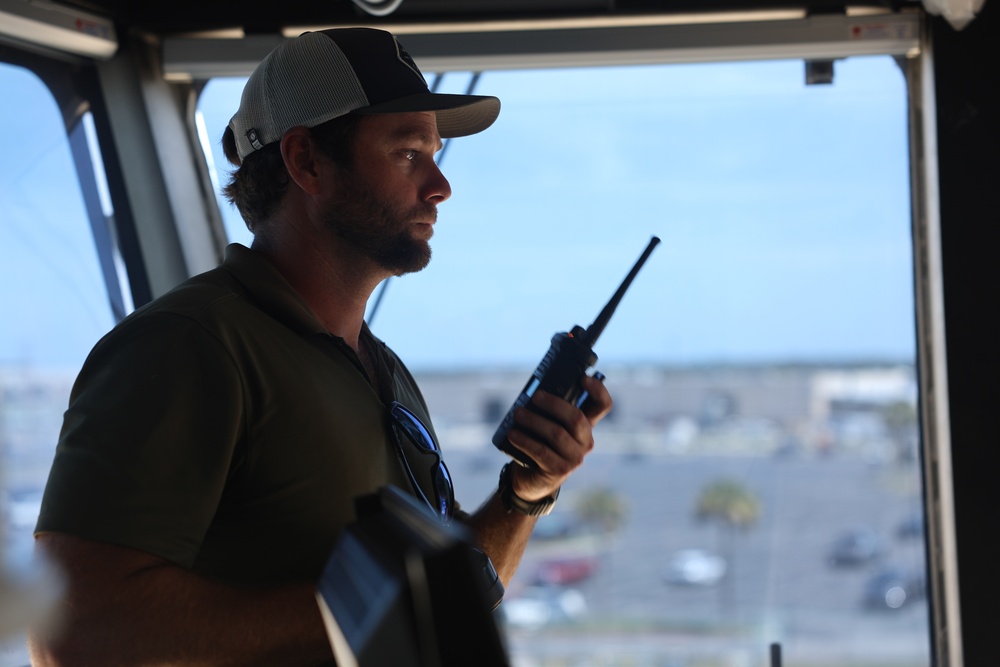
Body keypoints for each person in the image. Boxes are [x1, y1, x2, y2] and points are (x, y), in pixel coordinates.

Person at [28, 27, 612, 666]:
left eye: (435, 153)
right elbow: (72, 633)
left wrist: (524, 492)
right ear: (306, 161)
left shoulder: (382, 369)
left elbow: (450, 594)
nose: (440, 186)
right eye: (408, 153)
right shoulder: (188, 346)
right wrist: (367, 606)